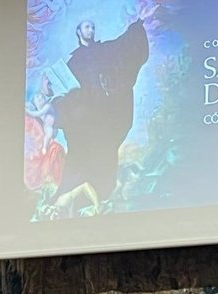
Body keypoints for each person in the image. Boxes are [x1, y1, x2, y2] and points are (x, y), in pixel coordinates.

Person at [52, 5, 158, 203]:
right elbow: (65, 88)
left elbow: (124, 46)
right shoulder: (73, 62)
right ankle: (71, 192)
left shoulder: (105, 50)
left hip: (105, 115)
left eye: (92, 27)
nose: (90, 30)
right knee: (80, 151)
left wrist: (138, 24)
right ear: (78, 31)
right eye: (86, 27)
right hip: (83, 120)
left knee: (105, 149)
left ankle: (102, 193)